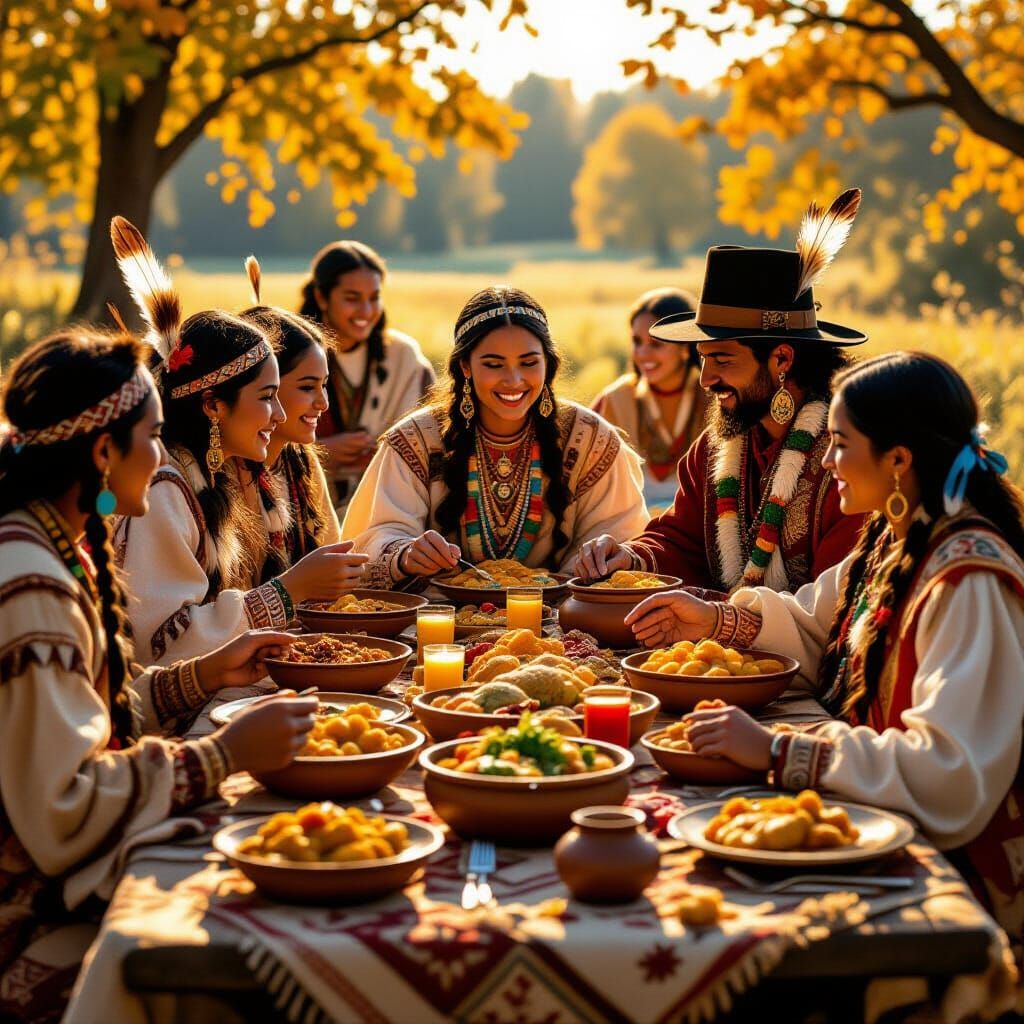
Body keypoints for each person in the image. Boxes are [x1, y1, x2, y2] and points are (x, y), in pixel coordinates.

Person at [626, 351, 1024, 955]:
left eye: (840, 444)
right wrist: (713, 620)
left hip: (956, 873)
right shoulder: (896, 538)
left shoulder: (967, 578)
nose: (828, 462)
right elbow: (818, 631)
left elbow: (950, 772)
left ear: (898, 459)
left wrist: (779, 749)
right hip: (880, 824)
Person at [0, 328, 318, 1022]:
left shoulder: (48, 544)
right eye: (150, 435)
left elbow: (90, 714)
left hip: (52, 873)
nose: (160, 453)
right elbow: (61, 807)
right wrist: (223, 755)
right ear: (102, 452)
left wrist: (200, 677)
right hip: (25, 911)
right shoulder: (30, 589)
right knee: (228, 960)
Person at [576, 189, 869, 597]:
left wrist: (726, 621)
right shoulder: (714, 450)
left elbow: (832, 601)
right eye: (702, 359)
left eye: (723, 360)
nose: (705, 379)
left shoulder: (849, 454)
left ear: (782, 359)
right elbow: (681, 541)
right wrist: (631, 557)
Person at [110, 218, 365, 664]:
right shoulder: (164, 491)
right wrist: (291, 590)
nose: (282, 414)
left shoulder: (207, 479)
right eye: (269, 397)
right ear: (212, 405)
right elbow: (163, 648)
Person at [341, 286, 649, 586]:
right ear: (465, 365)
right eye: (493, 364)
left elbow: (622, 535)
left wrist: (599, 559)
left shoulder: (591, 439)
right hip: (438, 620)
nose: (513, 380)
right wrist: (405, 554)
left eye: (529, 363)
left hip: (565, 619)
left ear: (548, 363)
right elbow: (374, 537)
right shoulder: (417, 439)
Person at [300, 240, 435, 512]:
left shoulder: (404, 357)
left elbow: (431, 436)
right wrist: (318, 453)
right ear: (322, 297)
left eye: (374, 298)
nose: (366, 311)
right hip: (305, 508)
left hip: (389, 507)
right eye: (352, 298)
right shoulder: (288, 357)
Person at [239, 256, 341, 576]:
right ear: (265, 386)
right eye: (307, 387)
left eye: (324, 385)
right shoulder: (222, 473)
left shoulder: (300, 462)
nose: (323, 402)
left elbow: (333, 556)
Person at [592, 287, 708, 510]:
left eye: (656, 344)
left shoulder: (715, 400)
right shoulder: (614, 400)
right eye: (637, 341)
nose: (643, 353)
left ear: (685, 348)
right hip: (629, 529)